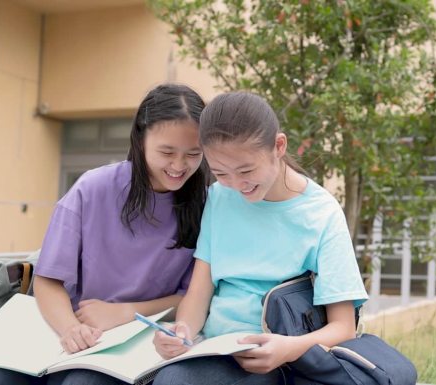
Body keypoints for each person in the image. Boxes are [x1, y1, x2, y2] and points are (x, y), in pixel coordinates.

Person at [0, 83, 209, 385]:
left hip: (139, 341)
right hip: (67, 329)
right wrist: (71, 329)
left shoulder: (206, 206)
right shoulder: (93, 188)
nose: (179, 165)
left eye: (193, 153)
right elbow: (48, 280)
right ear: (140, 139)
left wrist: (125, 312)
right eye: (166, 152)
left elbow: (193, 297)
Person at [152, 92, 368, 385]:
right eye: (220, 172)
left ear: (279, 146)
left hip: (282, 358)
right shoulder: (220, 196)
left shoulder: (320, 213)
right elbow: (199, 293)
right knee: (171, 380)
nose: (237, 185)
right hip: (215, 351)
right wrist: (182, 332)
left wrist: (287, 349)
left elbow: (343, 328)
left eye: (246, 170)